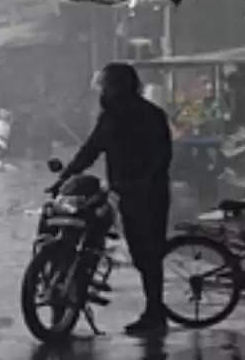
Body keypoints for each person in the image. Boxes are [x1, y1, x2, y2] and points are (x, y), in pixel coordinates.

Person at [51, 63, 173, 336]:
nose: (104, 92)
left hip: (150, 195)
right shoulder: (110, 117)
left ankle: (155, 311)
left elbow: (161, 157)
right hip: (125, 192)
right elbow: (91, 149)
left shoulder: (150, 115)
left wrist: (143, 183)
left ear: (120, 87)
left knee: (148, 255)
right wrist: (66, 176)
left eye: (107, 86)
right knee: (138, 251)